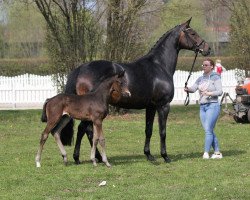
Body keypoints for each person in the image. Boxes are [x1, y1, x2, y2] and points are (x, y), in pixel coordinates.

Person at [184, 58, 223, 159]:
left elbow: (219, 92)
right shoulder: (200, 79)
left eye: (206, 65)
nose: (204, 67)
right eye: (203, 65)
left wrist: (209, 93)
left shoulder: (216, 77)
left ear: (211, 67)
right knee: (208, 129)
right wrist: (188, 89)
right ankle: (217, 152)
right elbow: (193, 88)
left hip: (212, 105)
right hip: (202, 107)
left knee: (208, 130)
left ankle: (206, 153)